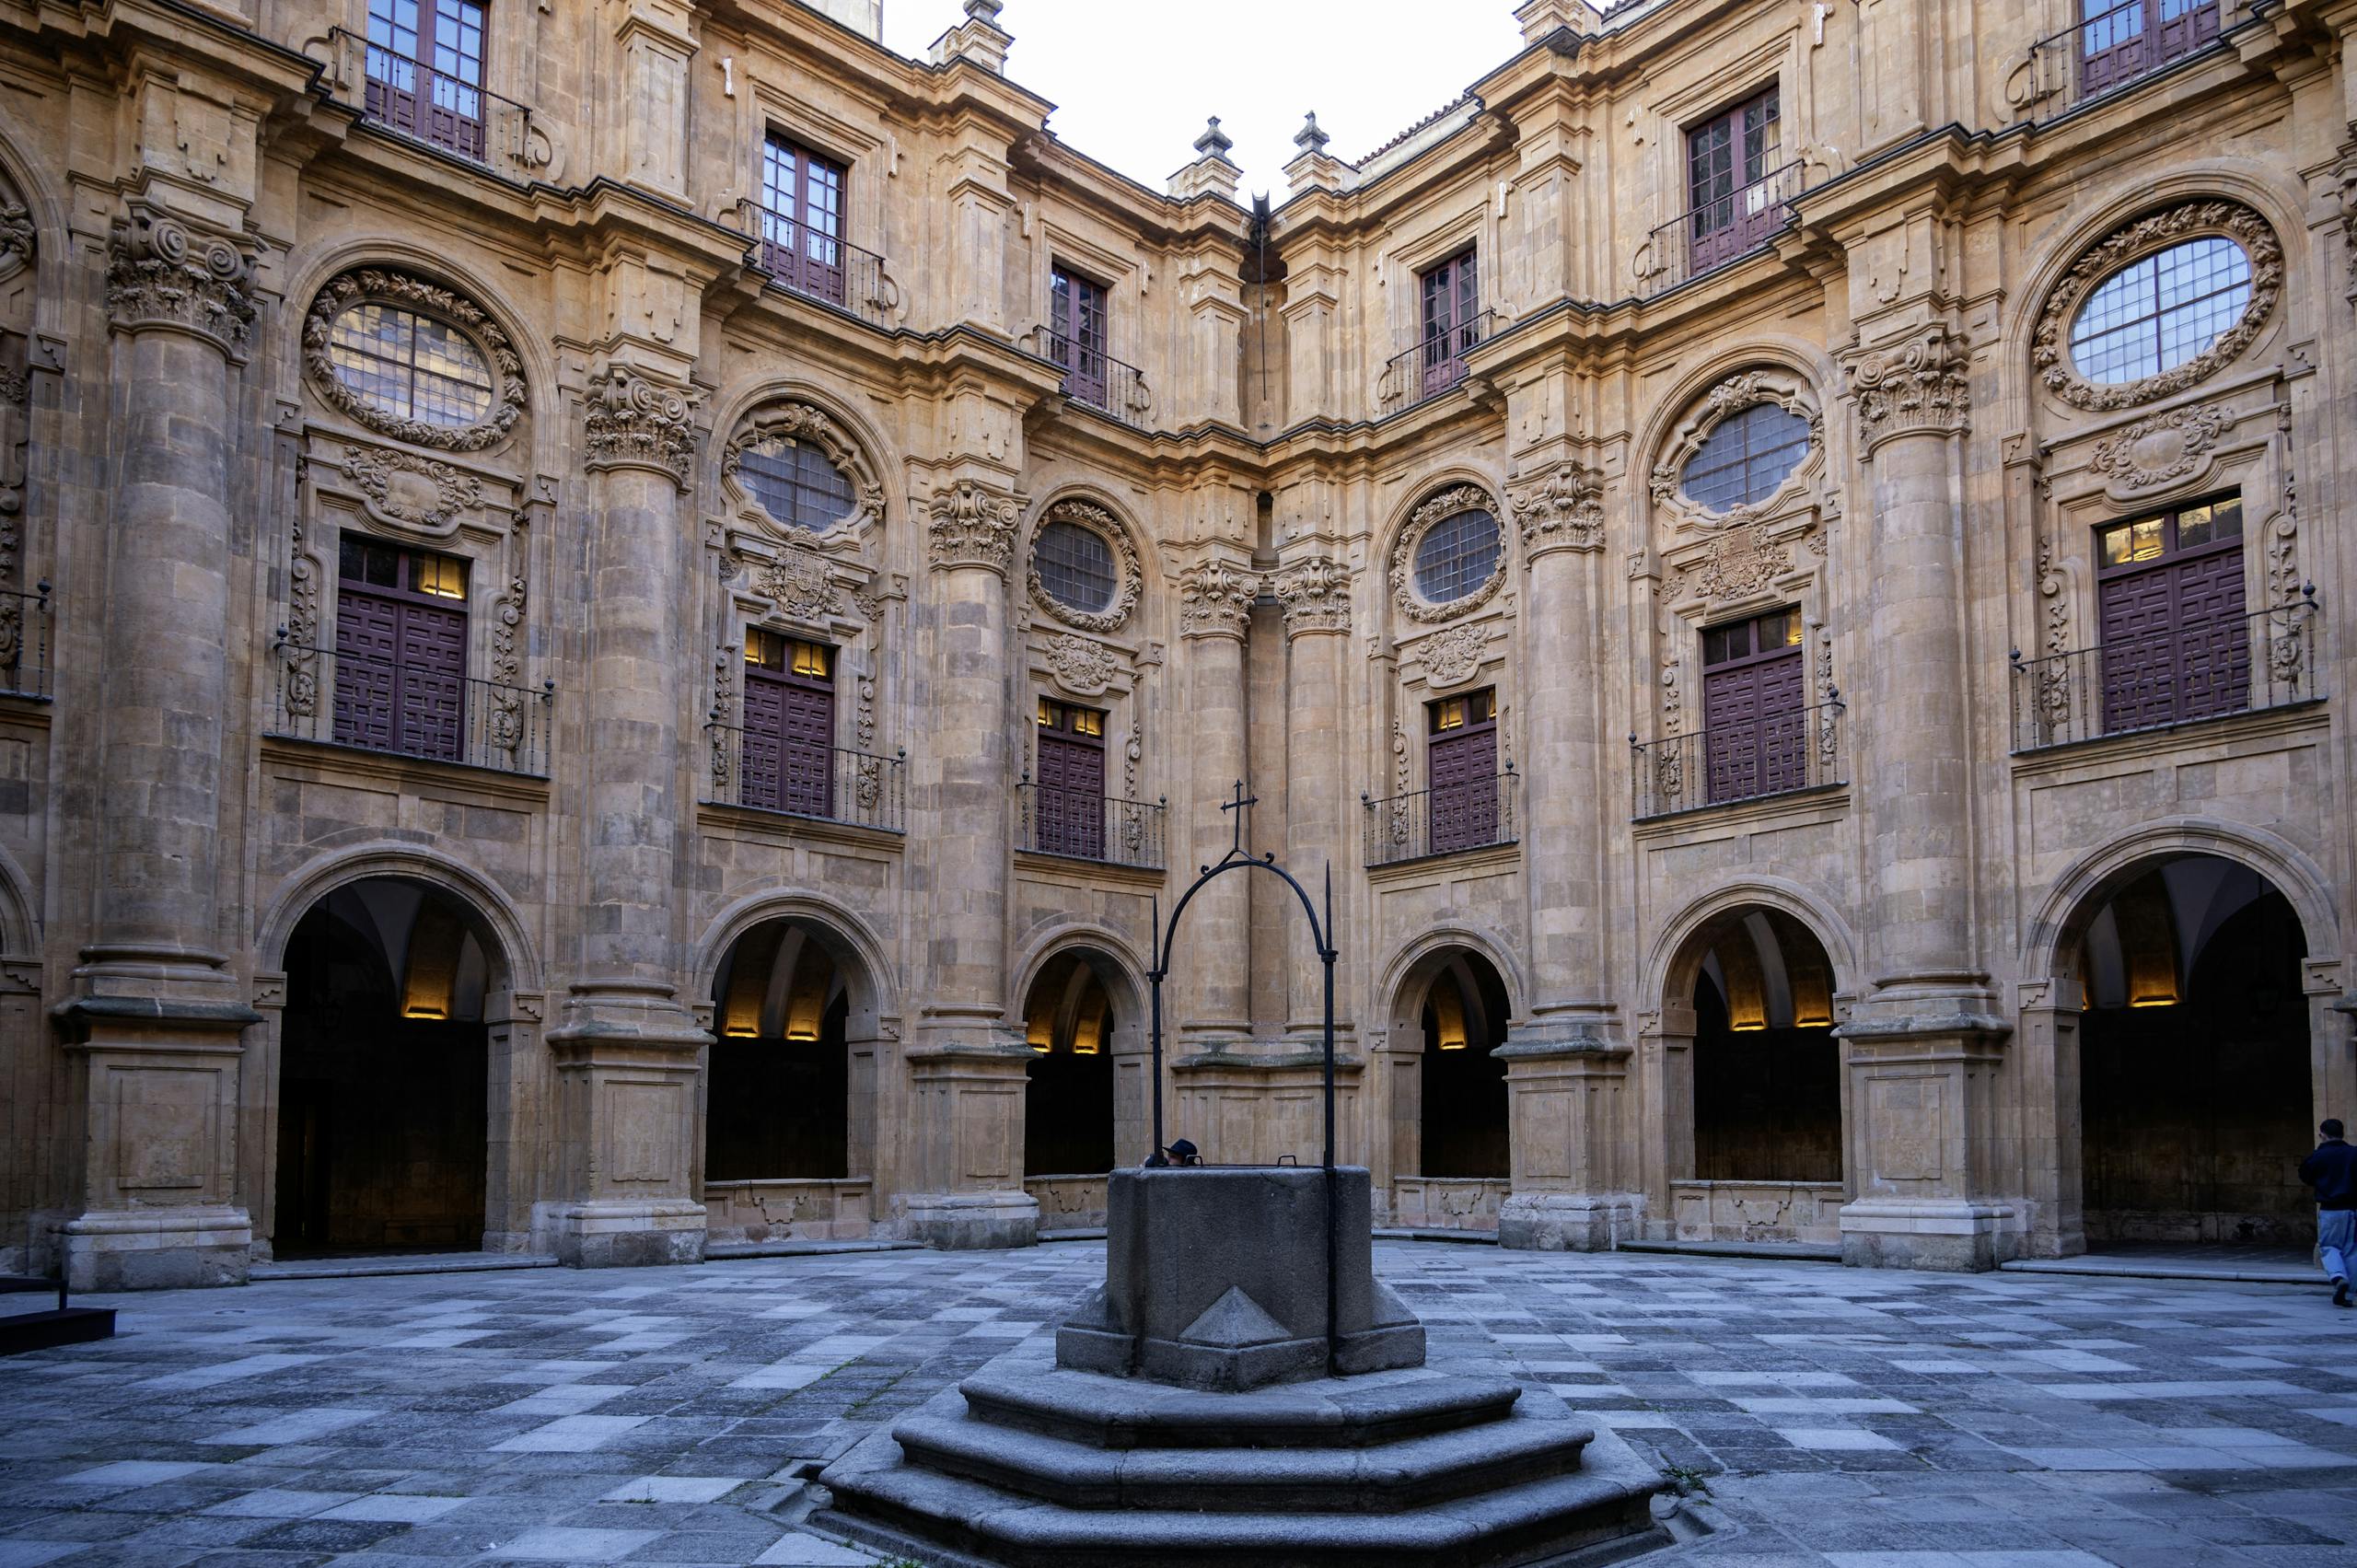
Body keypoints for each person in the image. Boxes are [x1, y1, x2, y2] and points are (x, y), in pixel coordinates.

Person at [2299, 1119, 2355, 1308]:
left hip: (2331, 1209)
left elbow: (2305, 1175)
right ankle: (2350, 1291)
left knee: (2330, 1246)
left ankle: (2338, 1277)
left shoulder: (2318, 1156)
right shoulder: (2353, 1153)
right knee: (2351, 1249)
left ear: (2322, 1134)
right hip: (2353, 1208)